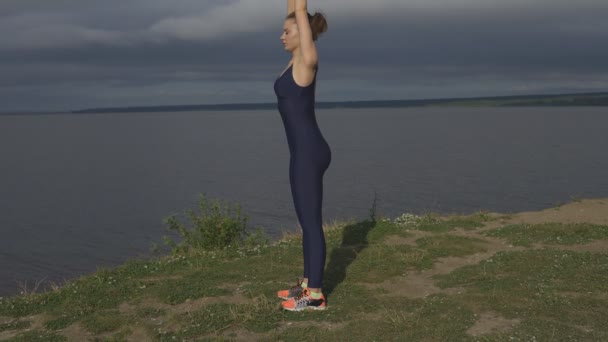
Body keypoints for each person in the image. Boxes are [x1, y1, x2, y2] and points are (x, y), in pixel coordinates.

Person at [273, 0, 331, 311]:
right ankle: (308, 283)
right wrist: (292, 8)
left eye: (287, 31)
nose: (281, 36)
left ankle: (315, 296)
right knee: (305, 221)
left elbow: (306, 43)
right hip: (303, 151)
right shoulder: (294, 63)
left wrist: (299, 10)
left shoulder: (306, 63)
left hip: (308, 152)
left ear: (303, 33)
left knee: (310, 223)